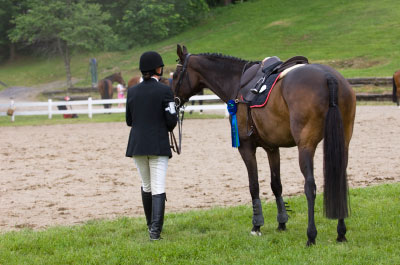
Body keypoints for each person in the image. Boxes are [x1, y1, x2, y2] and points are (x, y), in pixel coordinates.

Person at [125, 51, 178, 241]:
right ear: (158, 69)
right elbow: (172, 121)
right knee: (158, 186)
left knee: (146, 185)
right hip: (158, 144)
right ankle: (155, 232)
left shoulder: (132, 91)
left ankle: (150, 226)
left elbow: (129, 120)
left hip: (137, 145)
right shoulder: (165, 91)